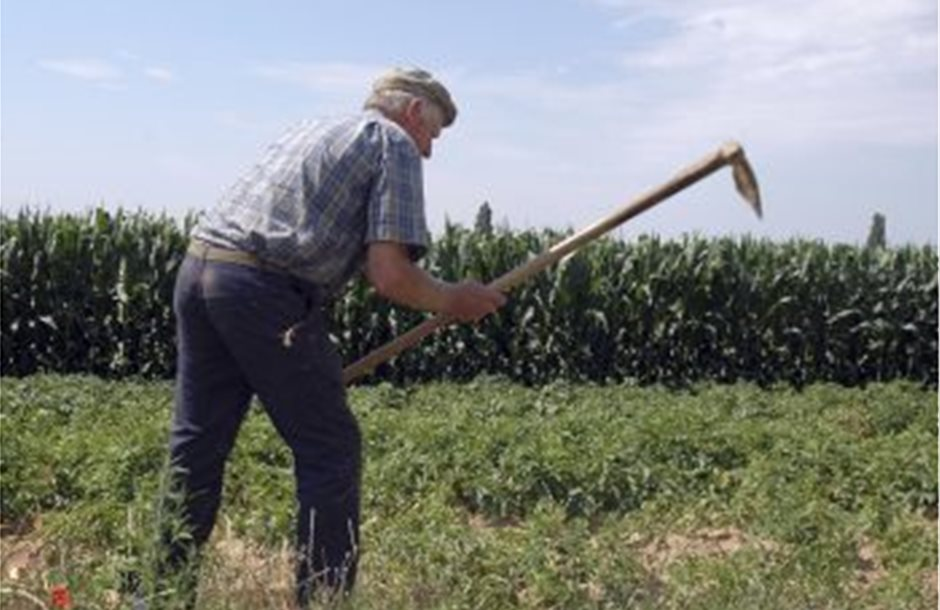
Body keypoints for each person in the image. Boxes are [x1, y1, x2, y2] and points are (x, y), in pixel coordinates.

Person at [154, 67, 507, 608]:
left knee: (196, 445)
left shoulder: (312, 129)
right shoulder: (392, 143)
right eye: (433, 132)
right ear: (413, 111)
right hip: (262, 291)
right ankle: (322, 599)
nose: (430, 149)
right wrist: (453, 300)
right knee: (330, 448)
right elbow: (390, 275)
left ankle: (159, 596)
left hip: (201, 273)